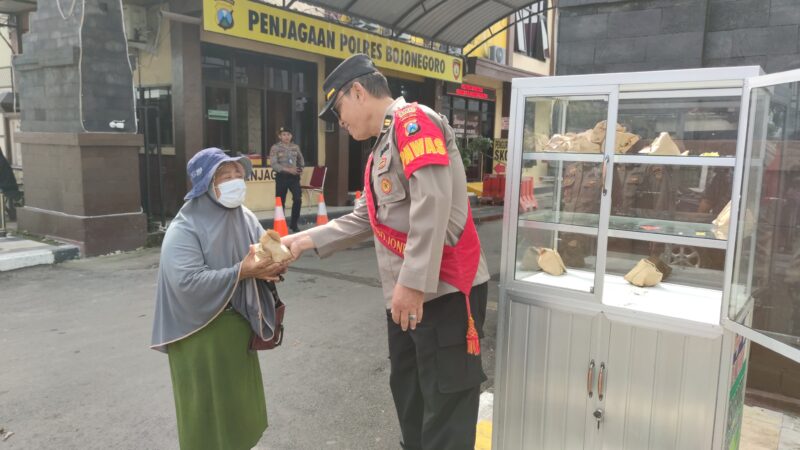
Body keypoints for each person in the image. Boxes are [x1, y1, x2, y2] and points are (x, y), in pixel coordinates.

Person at [282, 54, 490, 450]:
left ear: (358, 92)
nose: (340, 123)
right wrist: (303, 241)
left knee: (444, 413)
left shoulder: (414, 123)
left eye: (338, 110)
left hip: (442, 293)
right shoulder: (381, 149)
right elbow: (366, 217)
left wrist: (411, 283)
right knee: (411, 401)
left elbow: (432, 201)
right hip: (407, 301)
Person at [150, 147, 288, 450]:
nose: (236, 180)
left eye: (239, 173)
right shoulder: (185, 226)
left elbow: (259, 258)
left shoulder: (245, 216)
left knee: (239, 413)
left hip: (237, 330)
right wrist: (242, 271)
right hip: (199, 334)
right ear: (206, 184)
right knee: (206, 420)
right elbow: (186, 283)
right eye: (226, 175)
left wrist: (270, 269)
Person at [269, 126, 305, 232]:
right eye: (284, 134)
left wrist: (301, 168)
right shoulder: (275, 148)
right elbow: (274, 164)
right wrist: (289, 170)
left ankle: (294, 224)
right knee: (280, 201)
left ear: (291, 136)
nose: (286, 137)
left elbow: (301, 160)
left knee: (298, 199)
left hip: (294, 178)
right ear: (280, 136)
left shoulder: (295, 147)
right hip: (282, 177)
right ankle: (281, 223)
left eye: (288, 134)